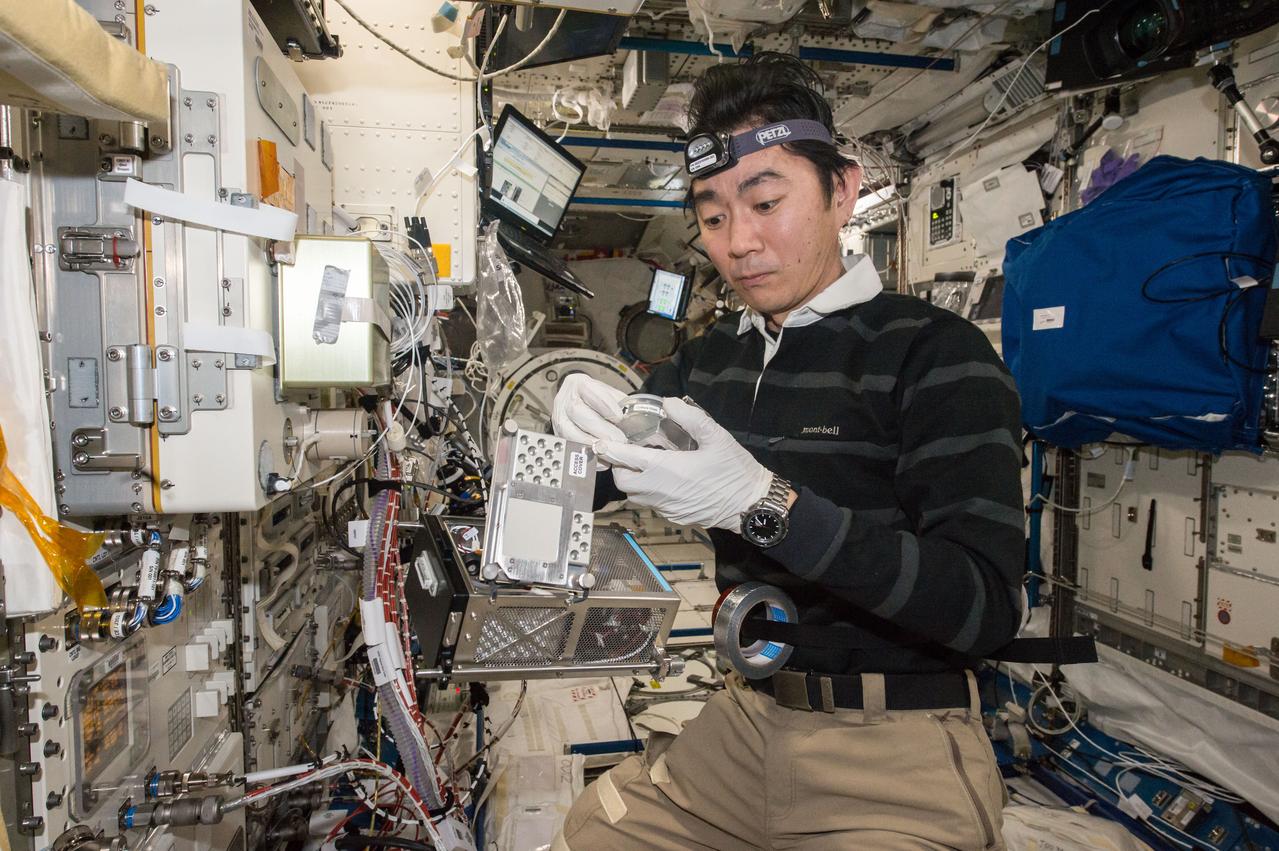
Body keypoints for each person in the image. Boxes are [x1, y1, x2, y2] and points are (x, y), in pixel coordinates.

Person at [550, 52, 1024, 851]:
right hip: (742, 721)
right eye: (712, 217)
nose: (738, 243)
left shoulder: (936, 354)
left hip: (893, 749)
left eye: (766, 202)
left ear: (841, 190)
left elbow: (981, 608)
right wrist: (563, 442)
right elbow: (587, 490)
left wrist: (763, 505)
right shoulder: (708, 364)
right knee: (587, 832)